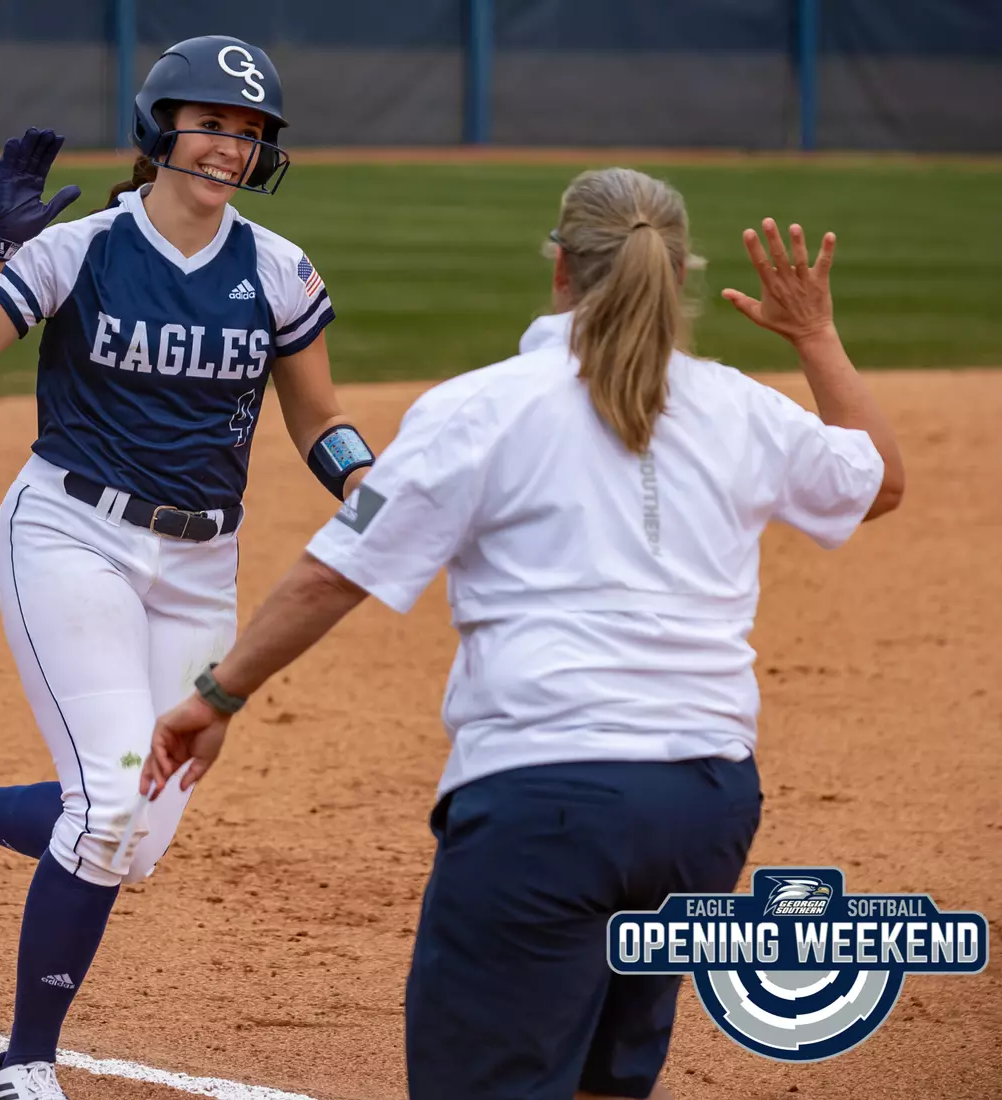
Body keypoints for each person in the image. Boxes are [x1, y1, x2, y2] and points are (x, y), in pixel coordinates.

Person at [140, 168, 905, 1100]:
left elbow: (331, 573)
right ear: (677, 272)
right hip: (706, 805)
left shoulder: (479, 407)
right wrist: (816, 336)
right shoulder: (737, 405)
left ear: (560, 269)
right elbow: (879, 482)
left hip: (546, 804)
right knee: (603, 1082)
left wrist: (215, 697)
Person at [0, 36, 379, 1100]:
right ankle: (24, 1059)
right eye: (211, 123)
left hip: (202, 566)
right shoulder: (79, 249)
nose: (230, 148)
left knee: (133, 840)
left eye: (250, 134)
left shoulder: (280, 270)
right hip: (72, 535)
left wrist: (375, 492)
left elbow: (321, 421)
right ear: (162, 130)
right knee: (106, 812)